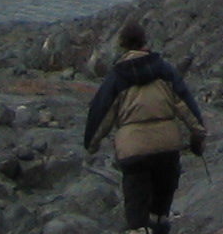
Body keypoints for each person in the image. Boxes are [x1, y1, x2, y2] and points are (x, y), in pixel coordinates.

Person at [82, 17, 205, 233]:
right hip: (167, 149)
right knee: (160, 211)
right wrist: (198, 138)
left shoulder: (116, 78)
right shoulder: (165, 71)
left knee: (137, 215)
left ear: (122, 45)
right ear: (145, 42)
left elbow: (101, 115)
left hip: (134, 152)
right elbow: (187, 106)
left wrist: (91, 145)